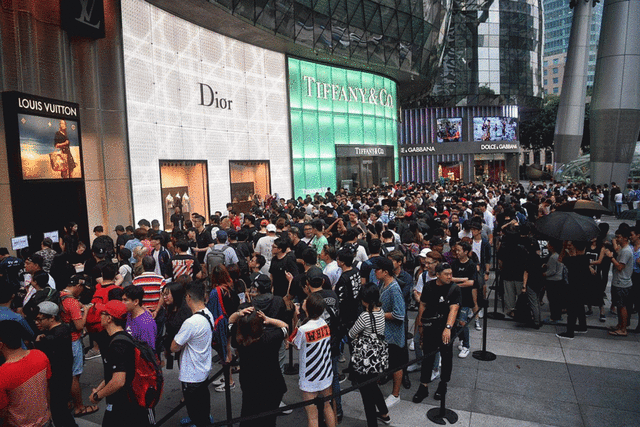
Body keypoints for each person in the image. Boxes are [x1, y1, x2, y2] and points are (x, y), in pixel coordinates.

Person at [89, 300, 153, 426]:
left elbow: (118, 381)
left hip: (124, 405)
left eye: (102, 313)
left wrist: (97, 396)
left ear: (109, 319)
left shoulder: (118, 346)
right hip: (124, 402)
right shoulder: (122, 337)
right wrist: (100, 389)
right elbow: (114, 373)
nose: (99, 315)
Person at [229, 306, 289, 427]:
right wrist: (268, 319)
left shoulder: (239, 339)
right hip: (272, 385)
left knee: (248, 417)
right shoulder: (270, 338)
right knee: (269, 421)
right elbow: (285, 327)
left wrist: (238, 313)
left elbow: (230, 322)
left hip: (250, 384)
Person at [413, 262, 460, 403]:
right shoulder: (429, 287)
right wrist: (420, 324)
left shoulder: (454, 288)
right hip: (430, 326)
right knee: (428, 356)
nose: (449, 276)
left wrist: (448, 328)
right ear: (438, 275)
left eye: (451, 273)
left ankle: (443, 384)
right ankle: (424, 385)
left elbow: (454, 308)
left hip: (446, 327)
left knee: (446, 357)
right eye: (446, 274)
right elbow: (423, 304)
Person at [171, 281, 214, 427]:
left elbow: (174, 347)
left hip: (191, 374)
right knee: (203, 403)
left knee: (196, 411)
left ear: (188, 297)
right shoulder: (208, 314)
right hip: (202, 369)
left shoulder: (191, 322)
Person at [291, 292, 336, 427]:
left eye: (306, 301)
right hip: (325, 372)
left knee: (312, 416)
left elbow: (294, 344)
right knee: (327, 407)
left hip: (309, 376)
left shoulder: (303, 329)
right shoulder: (324, 324)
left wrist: (295, 317)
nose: (303, 301)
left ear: (309, 307)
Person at [348, 284, 391, 426]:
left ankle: (372, 423)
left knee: (367, 393)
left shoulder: (365, 316)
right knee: (373, 386)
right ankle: (384, 413)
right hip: (378, 357)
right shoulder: (381, 311)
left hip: (366, 359)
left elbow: (351, 333)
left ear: (364, 299)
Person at [0, 320, 52, 427]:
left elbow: (3, 413)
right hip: (45, 420)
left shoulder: (3, 373)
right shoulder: (40, 355)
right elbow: (47, 389)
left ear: (1, 345)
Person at [33, 301, 78, 427]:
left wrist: (40, 342)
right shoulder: (61, 329)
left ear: (52, 318)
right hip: (62, 377)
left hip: (58, 379)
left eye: (40, 319)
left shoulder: (56, 335)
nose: (37, 323)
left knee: (60, 412)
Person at [59, 274, 96, 417]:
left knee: (65, 373)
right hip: (73, 340)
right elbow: (79, 325)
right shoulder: (72, 302)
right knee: (75, 375)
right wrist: (85, 311)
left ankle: (67, 400)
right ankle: (79, 406)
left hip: (61, 339)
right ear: (78, 286)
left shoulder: (59, 295)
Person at [375, 257, 406, 408]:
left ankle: (395, 394)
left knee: (396, 364)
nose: (375, 272)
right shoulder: (383, 283)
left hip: (394, 335)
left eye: (377, 270)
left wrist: (379, 313)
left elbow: (400, 314)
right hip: (385, 333)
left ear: (385, 272)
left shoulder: (394, 289)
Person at [606, 228, 634, 336]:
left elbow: (620, 267)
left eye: (619, 237)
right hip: (619, 281)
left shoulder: (626, 251)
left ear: (625, 238)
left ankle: (623, 329)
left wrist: (611, 257)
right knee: (619, 305)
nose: (617, 239)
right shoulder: (623, 249)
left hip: (622, 283)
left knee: (622, 306)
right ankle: (620, 325)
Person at [123, 285, 157, 349]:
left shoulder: (146, 324)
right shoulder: (130, 314)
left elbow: (148, 351)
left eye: (125, 300)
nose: (122, 303)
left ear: (136, 302)